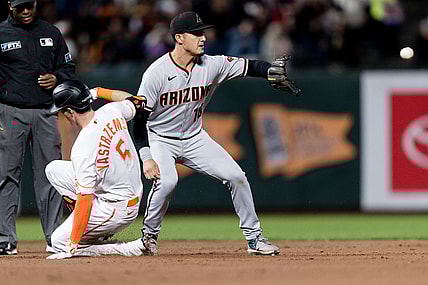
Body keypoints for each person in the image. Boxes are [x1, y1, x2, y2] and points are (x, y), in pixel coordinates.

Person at [132, 11, 300, 256]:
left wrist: (268, 70)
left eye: (203, 32)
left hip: (194, 137)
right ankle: (149, 238)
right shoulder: (155, 74)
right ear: (179, 38)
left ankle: (254, 239)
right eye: (196, 33)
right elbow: (139, 120)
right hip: (159, 138)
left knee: (237, 176)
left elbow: (249, 66)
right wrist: (146, 156)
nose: (203, 38)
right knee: (167, 181)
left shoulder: (212, 64)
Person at [45, 80, 160, 259]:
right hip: (128, 193)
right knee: (53, 169)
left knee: (58, 242)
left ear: (69, 112)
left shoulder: (83, 147)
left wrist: (73, 244)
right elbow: (137, 101)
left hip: (116, 208)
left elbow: (85, 199)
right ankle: (92, 231)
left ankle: (129, 248)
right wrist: (98, 91)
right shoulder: (111, 111)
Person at [0, 0, 75, 255]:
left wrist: (57, 78)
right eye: (19, 6)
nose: (25, 11)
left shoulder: (50, 32)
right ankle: (4, 239)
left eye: (28, 5)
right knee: (6, 175)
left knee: (51, 175)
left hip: (46, 111)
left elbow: (67, 68)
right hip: (11, 111)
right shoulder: (1, 33)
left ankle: (55, 237)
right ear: (10, 5)